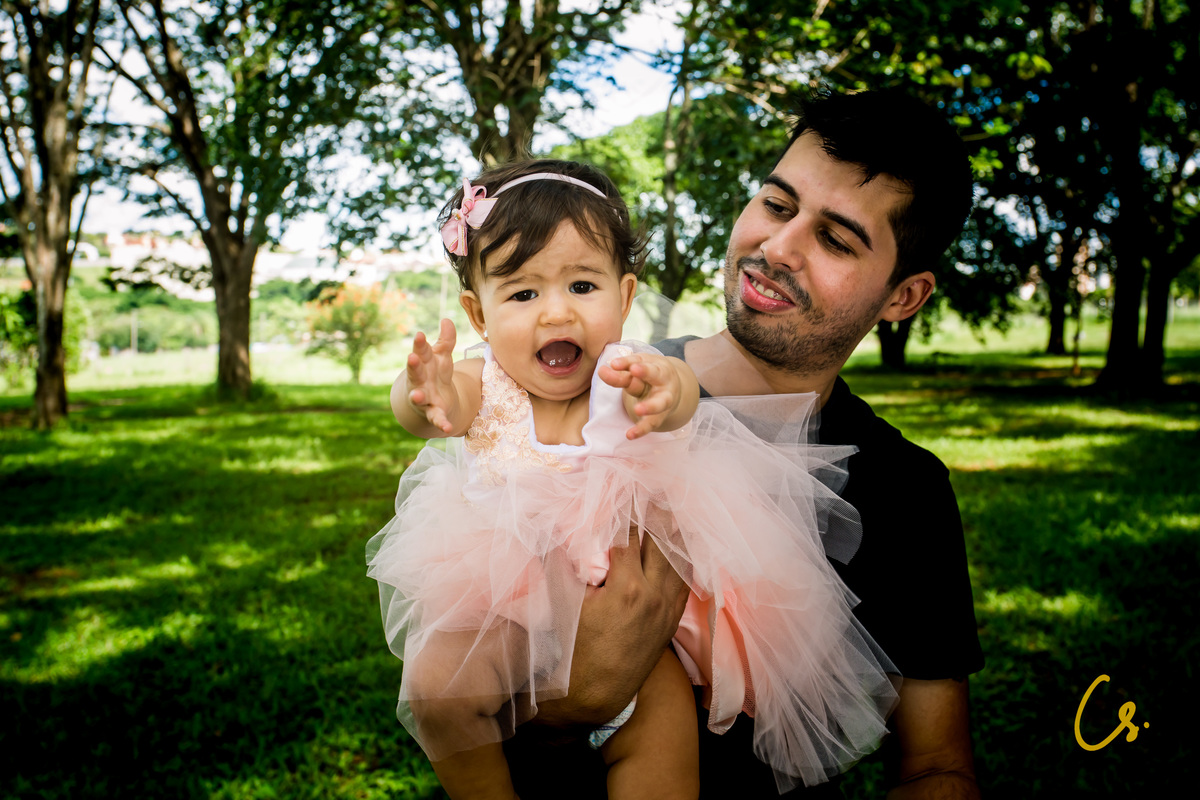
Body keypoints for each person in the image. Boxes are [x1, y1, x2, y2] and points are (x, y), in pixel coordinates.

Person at [367, 158, 902, 799]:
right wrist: (420, 392)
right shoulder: (484, 380)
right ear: (478, 315)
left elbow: (679, 395)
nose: (556, 313)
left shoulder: (625, 369)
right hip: (502, 607)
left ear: (624, 298)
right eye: (523, 294)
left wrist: (663, 394)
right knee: (437, 691)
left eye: (582, 286)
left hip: (641, 641)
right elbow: (439, 412)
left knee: (663, 746)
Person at [504, 89, 986, 799]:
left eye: (836, 240)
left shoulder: (906, 489)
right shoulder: (585, 390)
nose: (778, 247)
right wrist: (574, 705)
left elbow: (937, 766)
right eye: (777, 204)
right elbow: (454, 684)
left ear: (903, 297)